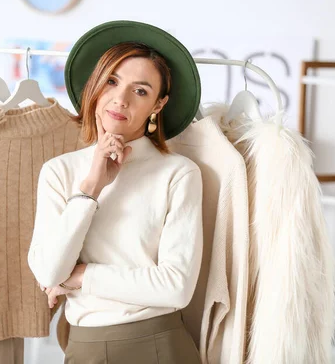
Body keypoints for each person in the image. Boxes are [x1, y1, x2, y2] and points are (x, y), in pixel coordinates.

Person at [28, 20, 204, 363]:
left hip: (160, 346)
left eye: (140, 91)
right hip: (83, 347)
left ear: (157, 104)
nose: (120, 99)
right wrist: (91, 188)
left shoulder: (178, 174)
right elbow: (49, 272)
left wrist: (81, 275)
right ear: (95, 85)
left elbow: (176, 288)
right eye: (112, 81)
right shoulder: (59, 171)